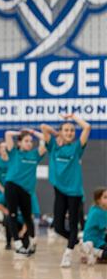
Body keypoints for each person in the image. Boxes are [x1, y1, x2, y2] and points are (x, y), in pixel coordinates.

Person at [41, 114, 91, 268]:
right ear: (62, 132)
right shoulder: (54, 147)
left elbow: (87, 127)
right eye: (66, 130)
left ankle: (68, 254)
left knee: (74, 224)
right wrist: (57, 134)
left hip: (74, 192)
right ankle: (80, 244)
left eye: (71, 130)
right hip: (60, 191)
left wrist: (73, 117)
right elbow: (43, 127)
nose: (69, 133)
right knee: (58, 227)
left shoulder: (77, 148)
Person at [3, 129, 46, 256]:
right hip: (12, 185)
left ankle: (33, 242)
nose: (29, 143)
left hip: (27, 190)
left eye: (31, 141)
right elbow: (7, 134)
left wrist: (32, 132)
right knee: (12, 214)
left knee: (28, 217)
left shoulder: (35, 155)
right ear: (20, 143)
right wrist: (20, 133)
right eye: (26, 141)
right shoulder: (13, 153)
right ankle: (17, 244)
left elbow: (44, 138)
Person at [81, 188, 107, 265]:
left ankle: (90, 252)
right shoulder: (100, 212)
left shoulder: (94, 208)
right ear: (98, 200)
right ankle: (95, 252)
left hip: (91, 239)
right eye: (105, 197)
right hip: (95, 241)